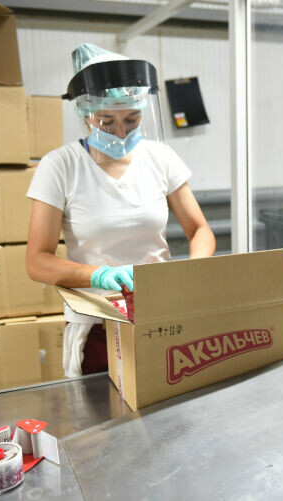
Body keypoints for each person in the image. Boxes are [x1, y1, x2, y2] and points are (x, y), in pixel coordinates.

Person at [26, 43, 215, 378]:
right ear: (85, 115)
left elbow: (200, 230)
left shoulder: (160, 158)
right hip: (99, 320)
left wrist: (191, 272)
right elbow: (37, 261)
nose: (121, 132)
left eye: (132, 119)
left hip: (161, 315)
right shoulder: (61, 166)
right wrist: (98, 275)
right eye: (106, 121)